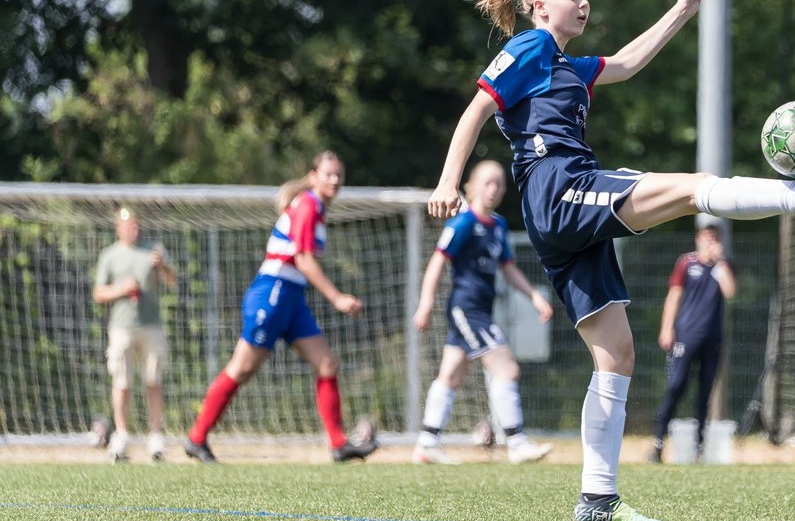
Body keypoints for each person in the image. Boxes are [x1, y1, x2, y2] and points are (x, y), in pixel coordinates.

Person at [428, 0, 795, 521]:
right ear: (539, 5)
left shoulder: (568, 65)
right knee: (690, 190)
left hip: (562, 211)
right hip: (561, 189)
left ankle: (597, 500)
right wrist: (446, 181)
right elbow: (477, 109)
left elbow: (629, 63)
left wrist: (682, 10)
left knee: (617, 355)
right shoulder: (531, 48)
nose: (584, 3)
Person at [183, 150, 379, 464]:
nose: (334, 180)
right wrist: (337, 297)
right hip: (272, 294)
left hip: (292, 299)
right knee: (242, 368)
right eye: (328, 174)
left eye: (339, 175)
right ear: (313, 176)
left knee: (327, 363)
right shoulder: (307, 205)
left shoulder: (316, 208)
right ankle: (196, 437)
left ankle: (339, 444)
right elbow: (302, 258)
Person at [411, 159, 557, 466]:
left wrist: (534, 297)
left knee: (451, 375)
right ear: (472, 187)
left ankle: (426, 443)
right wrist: (425, 304)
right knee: (506, 369)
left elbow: (508, 268)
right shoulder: (463, 223)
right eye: (487, 182)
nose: (494, 188)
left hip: (480, 310)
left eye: (499, 183)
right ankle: (516, 442)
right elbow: (438, 262)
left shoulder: (499, 225)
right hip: (467, 309)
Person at [92, 206, 176, 463]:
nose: (133, 229)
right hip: (121, 328)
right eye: (128, 225)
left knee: (153, 380)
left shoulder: (154, 250)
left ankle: (155, 437)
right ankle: (122, 435)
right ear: (118, 228)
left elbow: (173, 281)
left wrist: (162, 267)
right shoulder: (110, 255)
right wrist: (120, 289)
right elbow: (98, 294)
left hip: (151, 326)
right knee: (122, 383)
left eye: (136, 225)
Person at [648, 222, 736, 464]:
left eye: (715, 239)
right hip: (686, 336)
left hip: (713, 338)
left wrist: (719, 263)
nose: (711, 243)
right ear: (698, 239)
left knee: (705, 392)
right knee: (676, 387)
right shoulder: (686, 263)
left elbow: (730, 292)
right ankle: (657, 442)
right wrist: (667, 328)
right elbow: (674, 295)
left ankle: (699, 448)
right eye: (707, 238)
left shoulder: (723, 266)